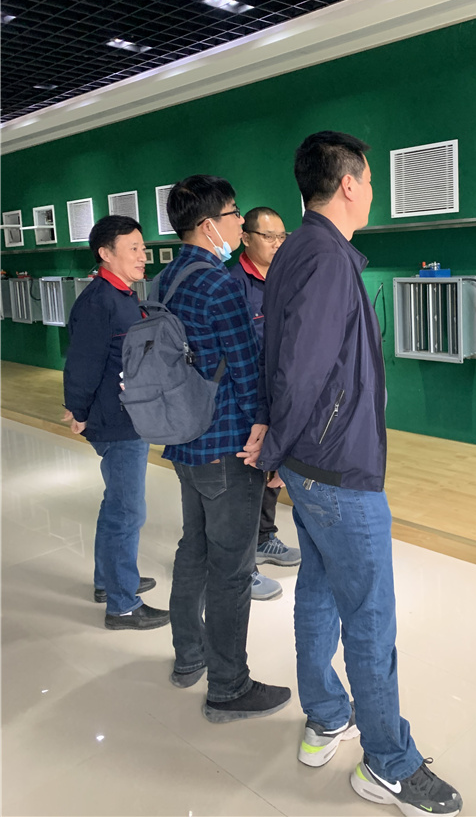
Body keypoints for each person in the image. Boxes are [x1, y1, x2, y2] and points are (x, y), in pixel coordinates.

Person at [240, 132, 463, 816]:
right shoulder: (327, 259)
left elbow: (278, 354)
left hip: (313, 464)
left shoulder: (296, 251)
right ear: (348, 184)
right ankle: (389, 764)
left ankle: (326, 714)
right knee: (369, 615)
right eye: (368, 180)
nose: (371, 191)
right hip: (338, 468)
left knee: (319, 590)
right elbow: (302, 369)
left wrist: (278, 442)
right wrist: (276, 446)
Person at [159, 174, 291, 723]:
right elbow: (245, 364)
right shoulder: (219, 283)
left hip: (184, 439)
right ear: (209, 224)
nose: (240, 223)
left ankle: (188, 656)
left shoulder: (166, 278)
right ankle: (228, 688)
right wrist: (268, 432)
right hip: (227, 446)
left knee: (194, 548)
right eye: (235, 214)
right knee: (232, 569)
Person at [63, 215, 169, 630]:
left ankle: (109, 581)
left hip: (130, 414)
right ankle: (123, 606)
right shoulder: (99, 302)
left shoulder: (123, 295)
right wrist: (78, 411)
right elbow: (82, 364)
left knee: (116, 506)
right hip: (117, 421)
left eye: (143, 248)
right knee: (127, 511)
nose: (143, 257)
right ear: (106, 253)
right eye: (133, 249)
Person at [231, 206, 301, 601]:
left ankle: (264, 537)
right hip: (246, 399)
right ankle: (244, 564)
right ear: (246, 238)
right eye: (268, 237)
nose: (277, 244)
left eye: (281, 237)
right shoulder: (234, 284)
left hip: (278, 391)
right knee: (248, 479)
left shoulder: (286, 277)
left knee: (273, 470)